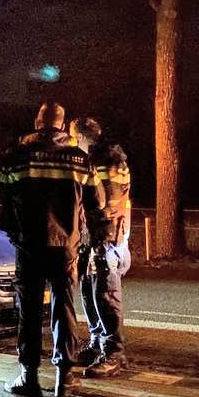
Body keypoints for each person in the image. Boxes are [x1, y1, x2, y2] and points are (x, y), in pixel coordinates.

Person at [0, 102, 106, 397]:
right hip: (66, 246)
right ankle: (64, 378)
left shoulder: (18, 155)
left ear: (37, 122)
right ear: (62, 125)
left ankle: (28, 377)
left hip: (28, 245)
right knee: (64, 308)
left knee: (29, 310)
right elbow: (98, 203)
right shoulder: (80, 159)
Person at [71, 118, 133, 377]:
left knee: (106, 295)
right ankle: (97, 343)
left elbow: (106, 204)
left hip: (106, 238)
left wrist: (95, 232)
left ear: (80, 137)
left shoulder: (106, 159)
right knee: (90, 291)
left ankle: (114, 353)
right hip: (95, 237)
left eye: (72, 138)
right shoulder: (98, 158)